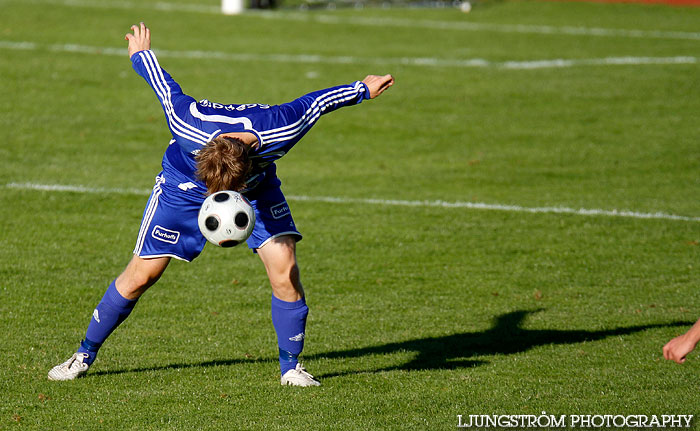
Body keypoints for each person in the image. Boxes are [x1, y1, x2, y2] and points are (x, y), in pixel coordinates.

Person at [48, 23, 394, 386]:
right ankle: (83, 354)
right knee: (141, 276)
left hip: (258, 190)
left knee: (285, 269)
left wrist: (363, 90)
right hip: (184, 188)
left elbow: (316, 103)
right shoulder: (188, 125)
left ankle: (290, 368)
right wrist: (141, 53)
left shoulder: (279, 130)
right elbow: (165, 87)